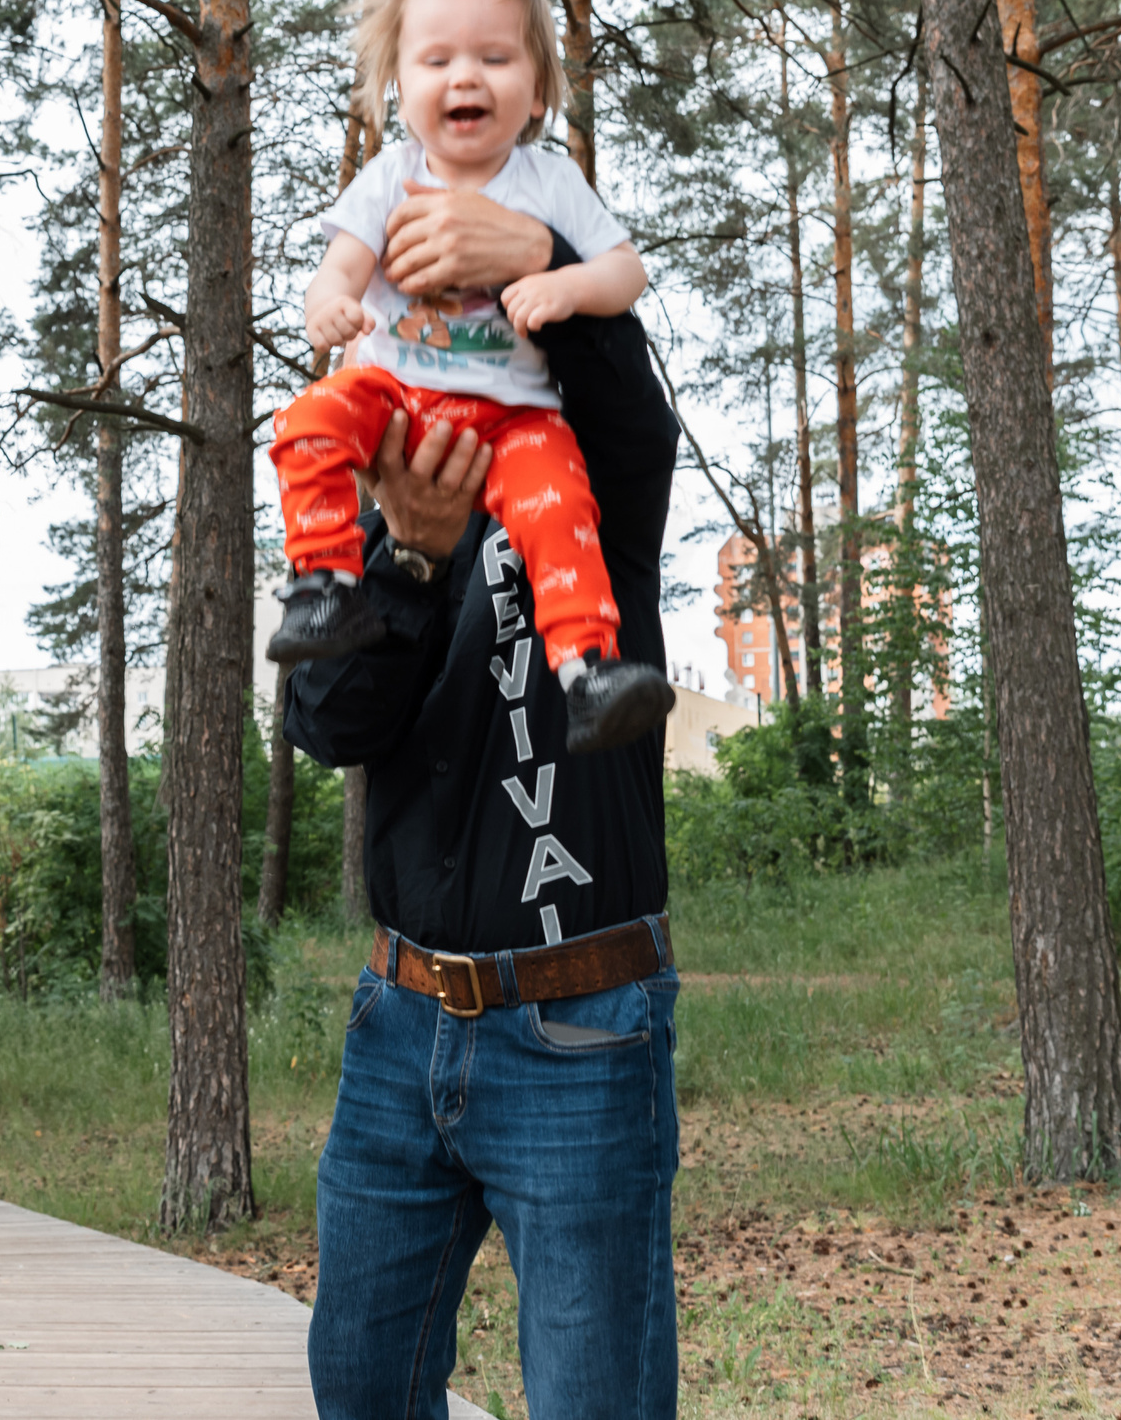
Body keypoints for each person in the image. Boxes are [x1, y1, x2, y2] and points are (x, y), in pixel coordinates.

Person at [284, 278, 684, 1420]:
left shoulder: (592, 483)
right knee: (359, 1381)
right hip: (399, 1029)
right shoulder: (376, 526)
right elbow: (328, 723)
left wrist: (522, 241)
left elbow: (621, 384)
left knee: (591, 1395)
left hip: (582, 1029)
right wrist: (409, 559)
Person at [265, 0, 672, 754]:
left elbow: (625, 273)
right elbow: (336, 269)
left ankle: (589, 668)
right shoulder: (388, 178)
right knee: (308, 421)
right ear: (396, 84)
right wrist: (330, 306)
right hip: (396, 402)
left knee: (561, 509)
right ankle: (324, 582)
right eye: (438, 59)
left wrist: (554, 272)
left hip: (516, 417)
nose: (465, 76)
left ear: (538, 90)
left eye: (494, 58)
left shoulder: (551, 182)